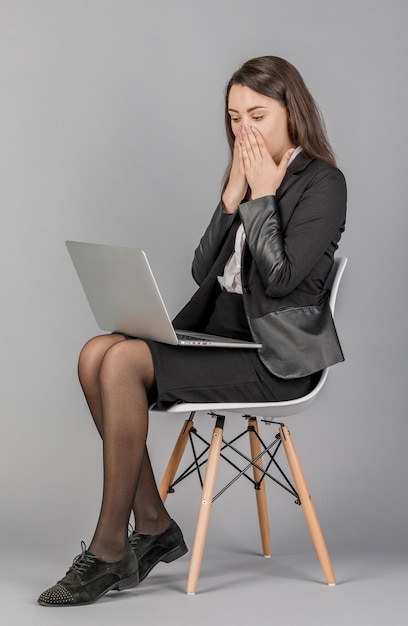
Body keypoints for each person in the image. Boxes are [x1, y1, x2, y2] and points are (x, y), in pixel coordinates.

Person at [38, 55, 346, 606]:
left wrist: (261, 198)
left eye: (258, 115)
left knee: (124, 362)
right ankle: (154, 524)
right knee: (95, 354)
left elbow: (278, 282)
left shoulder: (322, 182)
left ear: (291, 113)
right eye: (233, 118)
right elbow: (205, 272)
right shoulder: (244, 178)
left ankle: (112, 549)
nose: (243, 130)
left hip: (276, 358)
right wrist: (231, 200)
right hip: (224, 337)